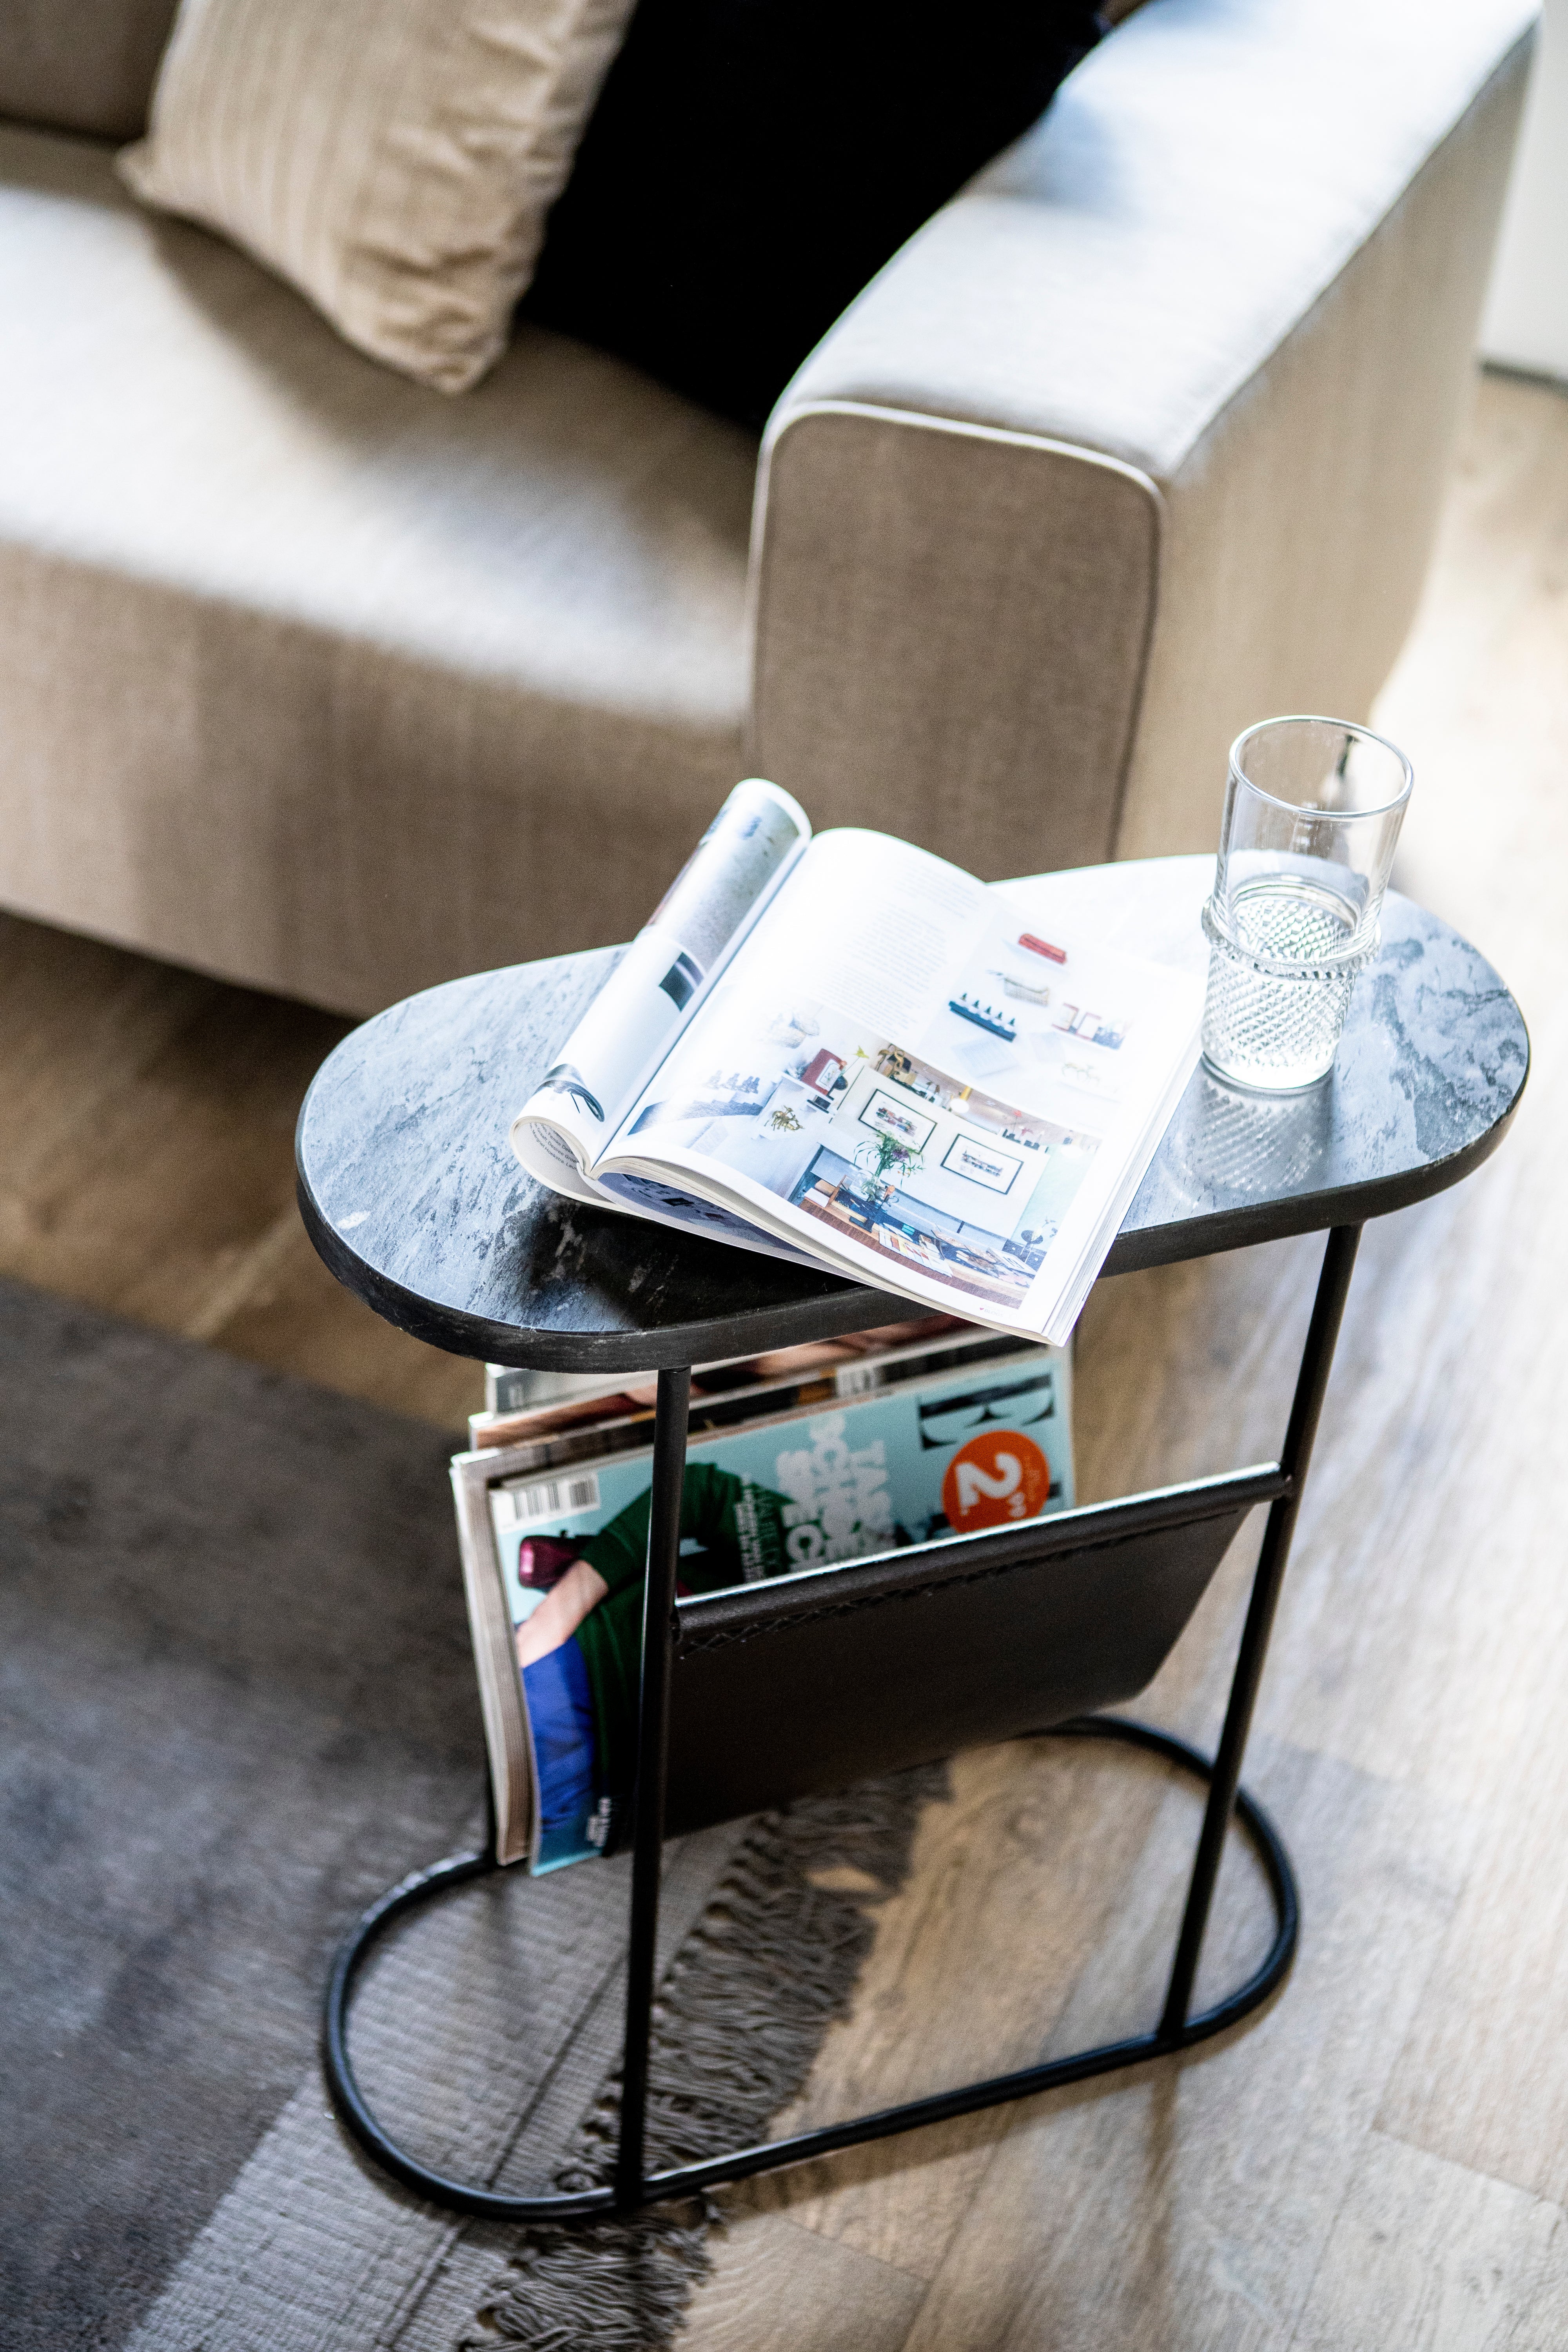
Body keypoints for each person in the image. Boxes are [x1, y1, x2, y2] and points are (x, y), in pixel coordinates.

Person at [514, 1463, 795, 1836]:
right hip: (579, 1660)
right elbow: (696, 1491)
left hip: (613, 1784)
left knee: (530, 1823)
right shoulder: (852, 1550)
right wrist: (558, 1612)